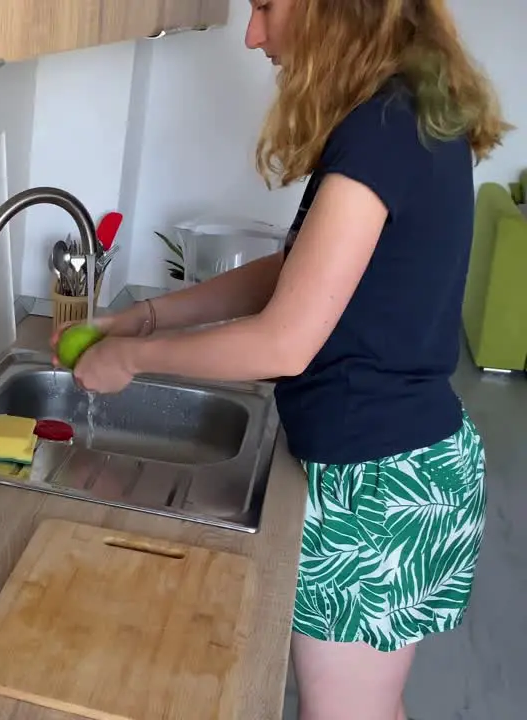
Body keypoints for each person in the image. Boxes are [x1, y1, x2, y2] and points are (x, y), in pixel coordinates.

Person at [53, 1, 511, 719]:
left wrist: (134, 358)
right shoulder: (400, 109)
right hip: (403, 469)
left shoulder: (383, 130)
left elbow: (283, 340)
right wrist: (145, 315)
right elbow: (295, 272)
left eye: (266, 4)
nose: (253, 33)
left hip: (381, 490)